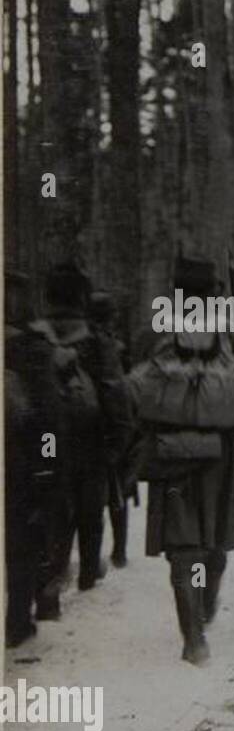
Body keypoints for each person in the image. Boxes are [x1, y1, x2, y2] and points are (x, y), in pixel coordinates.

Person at [126, 254, 234, 664]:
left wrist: (135, 454)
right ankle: (205, 605)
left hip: (171, 453)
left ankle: (193, 636)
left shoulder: (154, 331)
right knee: (216, 541)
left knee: (182, 545)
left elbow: (132, 396)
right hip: (224, 453)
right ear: (214, 292)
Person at [38, 263, 131, 602]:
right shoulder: (96, 341)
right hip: (88, 441)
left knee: (50, 508)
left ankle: (48, 587)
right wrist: (118, 441)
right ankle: (88, 578)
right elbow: (113, 391)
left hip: (44, 442)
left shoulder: (35, 337)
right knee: (89, 512)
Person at [4, 269, 64, 645]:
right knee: (22, 541)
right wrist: (47, 465)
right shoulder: (32, 349)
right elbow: (48, 417)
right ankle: (17, 620)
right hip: (20, 463)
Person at [88, 290, 135, 568]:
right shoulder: (111, 346)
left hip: (93, 425)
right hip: (108, 423)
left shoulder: (81, 341)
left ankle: (106, 553)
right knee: (118, 490)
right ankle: (119, 550)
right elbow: (121, 384)